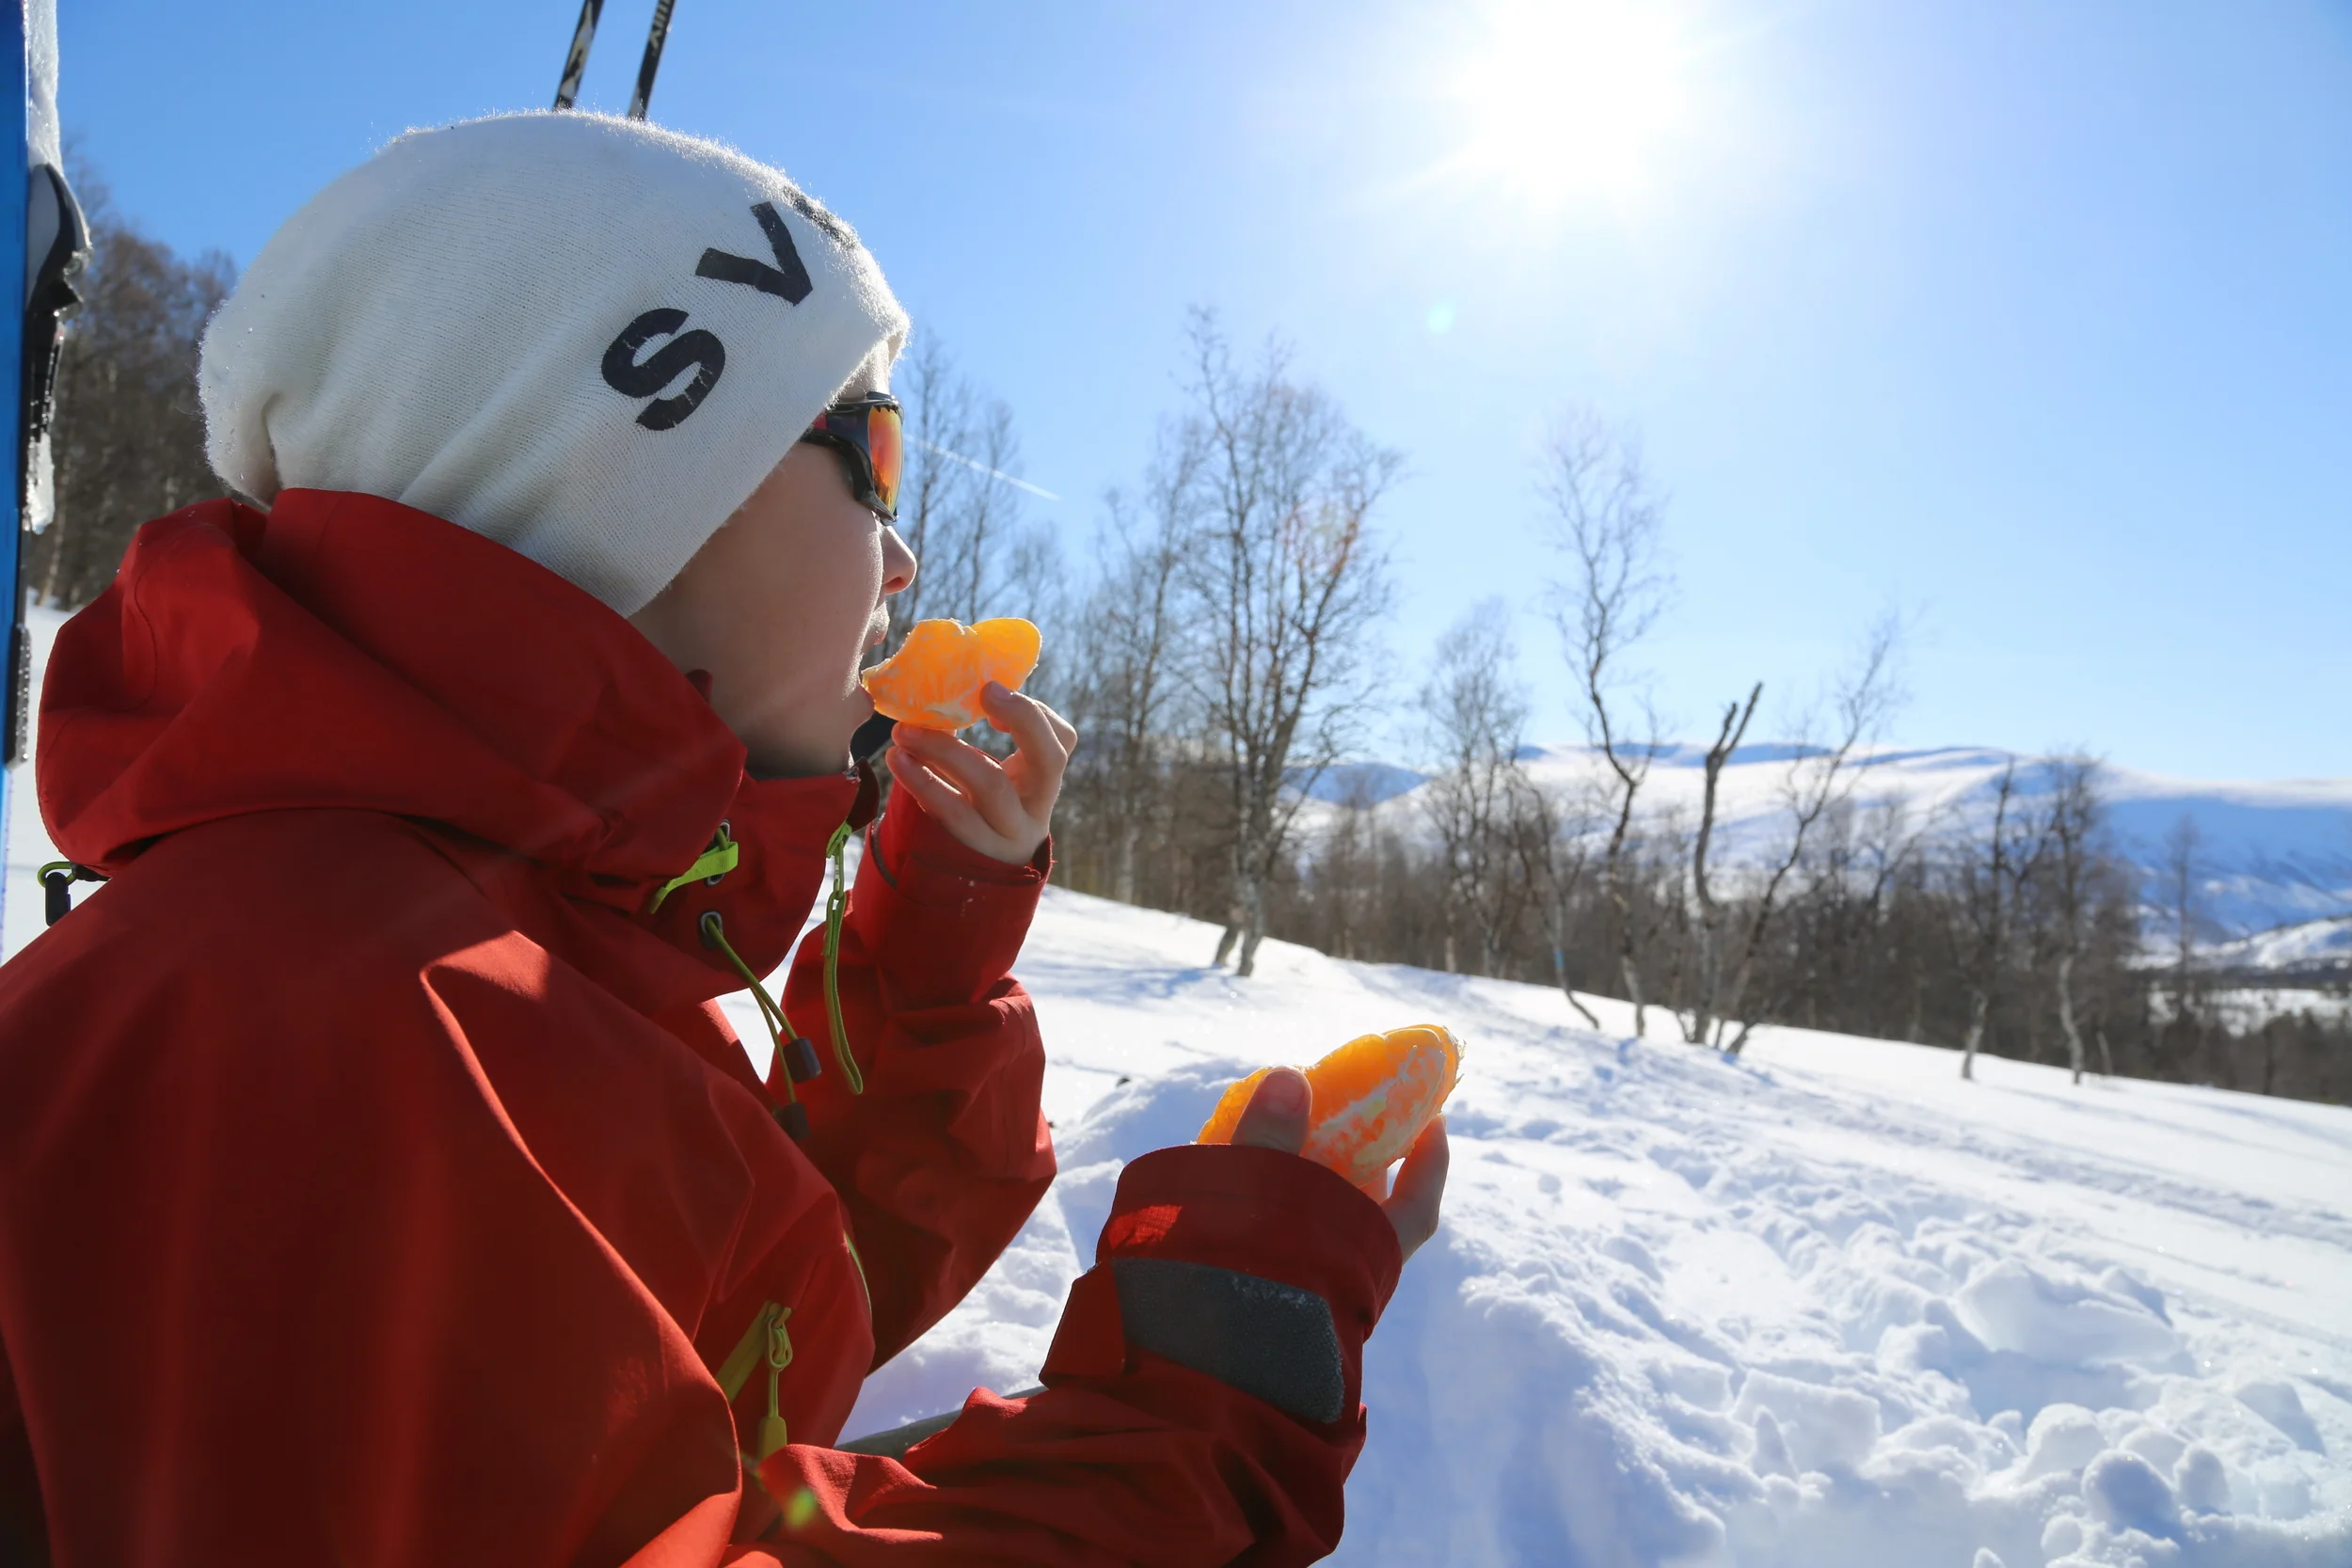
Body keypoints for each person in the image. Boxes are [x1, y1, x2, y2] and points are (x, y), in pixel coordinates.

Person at [0, 112, 1447, 1566]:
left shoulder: (474, 947)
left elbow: (748, 1309)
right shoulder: (325, 1018)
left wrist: (933, 940)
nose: (905, 555)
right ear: (631, 483)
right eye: (873, 450)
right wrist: (1202, 1421)